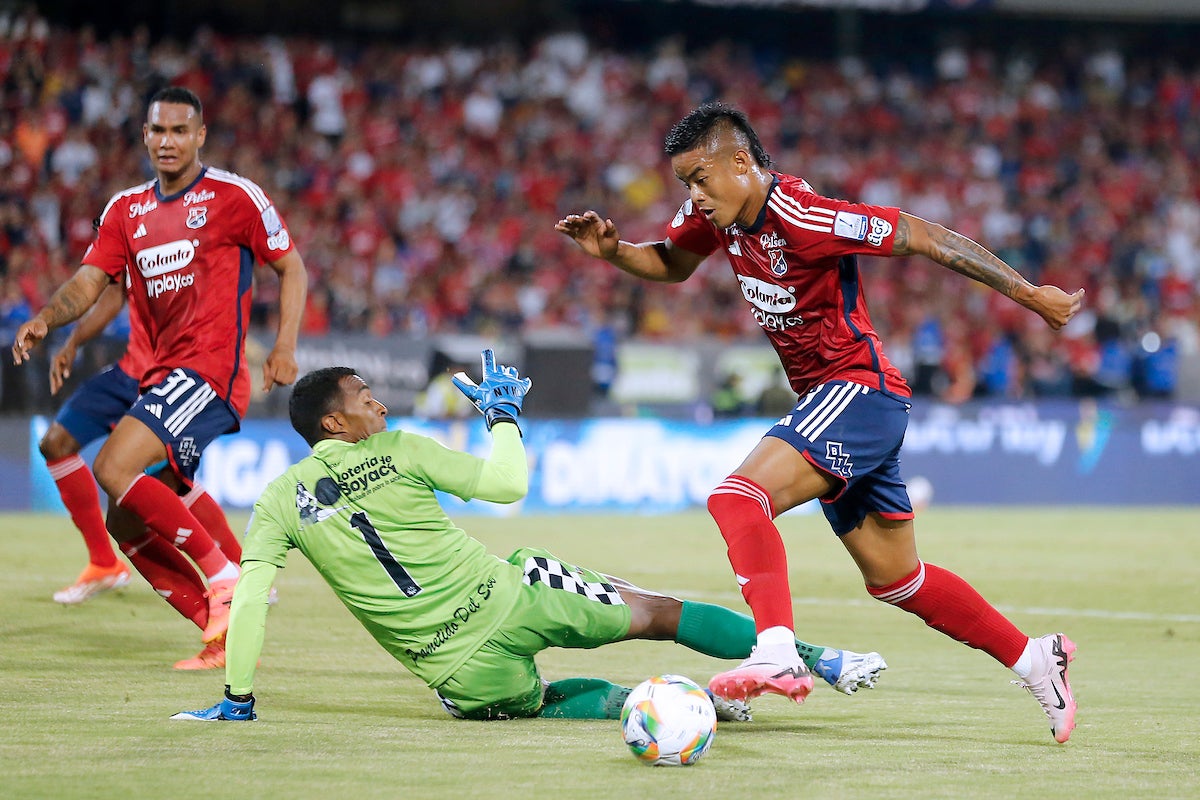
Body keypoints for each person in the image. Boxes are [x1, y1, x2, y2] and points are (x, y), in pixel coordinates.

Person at [555, 102, 1084, 743]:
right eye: (684, 183)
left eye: (700, 177)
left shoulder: (805, 216)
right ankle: (1036, 659)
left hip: (859, 388)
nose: (693, 195)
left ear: (742, 163)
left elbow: (925, 236)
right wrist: (614, 252)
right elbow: (670, 262)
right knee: (897, 581)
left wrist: (1030, 294)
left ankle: (775, 650)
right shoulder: (715, 219)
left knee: (736, 496)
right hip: (832, 403)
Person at [171, 351, 888, 722]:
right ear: (335, 422)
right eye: (365, 399)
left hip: (455, 671)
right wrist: (504, 419)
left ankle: (680, 706)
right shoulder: (402, 450)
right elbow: (508, 486)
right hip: (516, 598)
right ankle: (816, 659)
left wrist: (238, 697)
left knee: (541, 703)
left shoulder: (275, 501)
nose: (379, 403)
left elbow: (254, 592)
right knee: (660, 614)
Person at [12, 86, 308, 668]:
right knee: (126, 516)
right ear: (144, 136)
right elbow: (91, 281)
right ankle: (217, 630)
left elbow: (290, 266)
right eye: (157, 131)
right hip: (153, 374)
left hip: (210, 369)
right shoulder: (127, 210)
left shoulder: (235, 196)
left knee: (115, 467)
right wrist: (49, 318)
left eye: (179, 131)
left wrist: (285, 345)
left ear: (200, 136)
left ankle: (227, 577)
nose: (167, 141)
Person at [40, 281, 246, 607]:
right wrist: (74, 341)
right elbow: (109, 291)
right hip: (128, 373)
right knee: (56, 443)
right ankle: (103, 563)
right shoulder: (120, 233)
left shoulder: (181, 240)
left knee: (170, 482)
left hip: (173, 379)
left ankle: (241, 572)